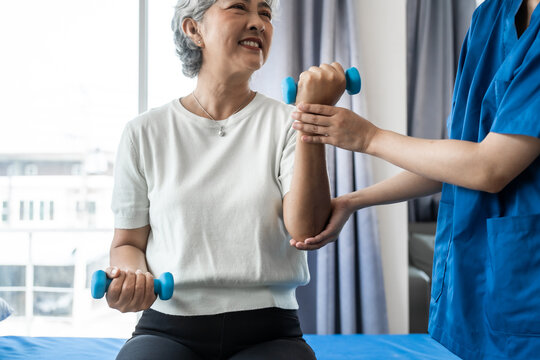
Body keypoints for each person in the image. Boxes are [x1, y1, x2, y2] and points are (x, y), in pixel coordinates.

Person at [290, 0, 540, 359]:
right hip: (478, 272)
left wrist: (369, 138)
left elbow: (489, 168)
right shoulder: (489, 16)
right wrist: (353, 201)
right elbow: (460, 159)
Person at [105, 0, 347, 359]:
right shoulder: (144, 132)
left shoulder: (290, 122)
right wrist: (132, 276)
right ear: (193, 29)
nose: (257, 23)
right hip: (168, 327)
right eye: (238, 8)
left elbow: (306, 229)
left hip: (270, 330)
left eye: (265, 13)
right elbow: (128, 243)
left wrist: (309, 120)